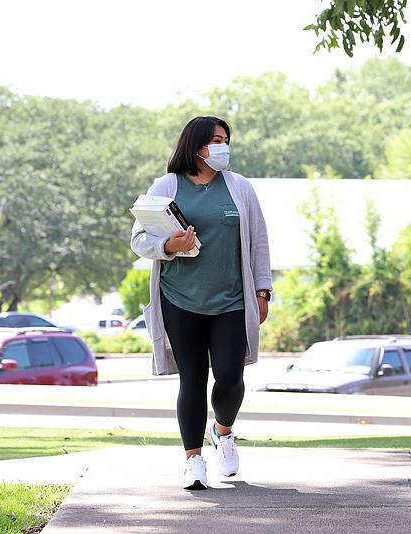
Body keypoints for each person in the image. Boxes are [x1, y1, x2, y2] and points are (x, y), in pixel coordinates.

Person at [131, 116, 272, 490]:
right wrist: (168, 246)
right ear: (196, 146)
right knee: (192, 379)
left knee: (230, 376)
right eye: (215, 140)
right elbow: (139, 238)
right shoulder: (166, 186)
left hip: (232, 300)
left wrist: (262, 291)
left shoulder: (239, 187)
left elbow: (258, 241)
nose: (223, 146)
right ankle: (193, 461)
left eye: (226, 140)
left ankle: (223, 431)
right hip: (179, 299)